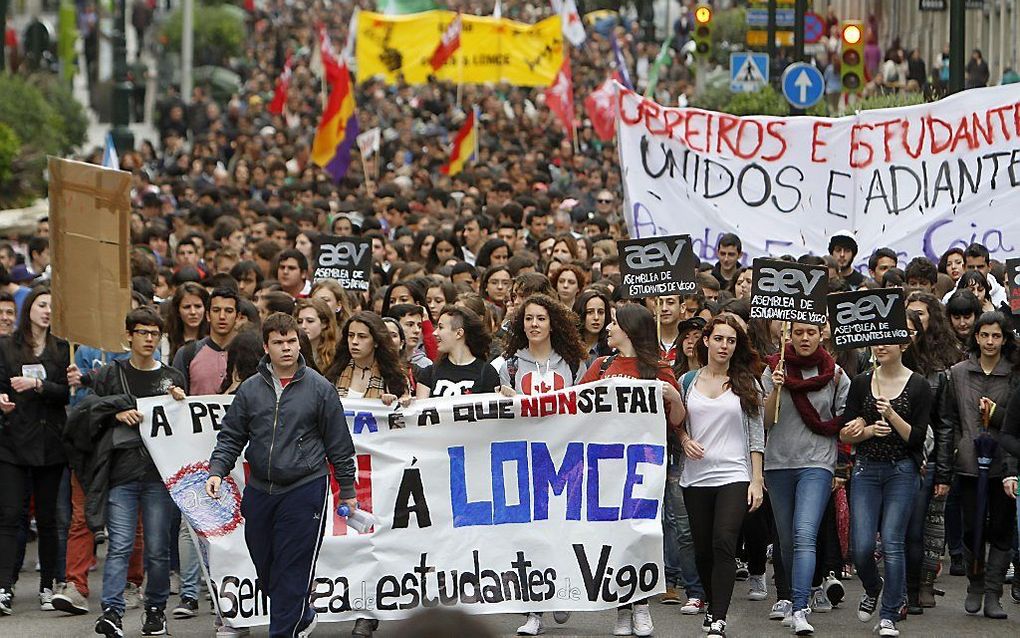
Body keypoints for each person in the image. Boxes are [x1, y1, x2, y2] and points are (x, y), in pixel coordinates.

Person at [205, 312, 357, 637]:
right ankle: (301, 615)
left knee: (292, 567)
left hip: (305, 487)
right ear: (266, 346)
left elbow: (339, 444)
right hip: (261, 489)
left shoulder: (320, 388)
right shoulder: (249, 390)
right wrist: (217, 470)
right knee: (266, 565)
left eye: (292, 341)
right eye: (279, 342)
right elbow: (231, 436)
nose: (287, 348)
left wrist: (347, 488)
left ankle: (284, 631)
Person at [69, 307, 188, 637]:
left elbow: (183, 426)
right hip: (121, 471)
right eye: (143, 332)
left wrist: (180, 400)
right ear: (129, 336)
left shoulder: (171, 378)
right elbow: (91, 411)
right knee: (120, 544)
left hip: (158, 474)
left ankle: (154, 610)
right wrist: (116, 414)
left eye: (155, 333)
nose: (149, 339)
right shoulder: (111, 374)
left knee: (157, 548)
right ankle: (112, 612)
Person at [579, 303, 687, 637]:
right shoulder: (601, 365)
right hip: (604, 465)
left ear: (630, 329)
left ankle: (640, 606)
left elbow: (677, 422)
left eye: (613, 322)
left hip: (644, 467)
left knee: (639, 536)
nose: (607, 327)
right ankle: (622, 608)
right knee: (613, 539)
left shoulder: (657, 370)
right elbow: (571, 406)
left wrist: (674, 397)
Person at [677, 314, 765, 638]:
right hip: (696, 478)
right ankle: (712, 604)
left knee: (724, 541)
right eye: (719, 339)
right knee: (702, 551)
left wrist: (756, 480)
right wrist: (685, 440)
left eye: (731, 340)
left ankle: (718, 618)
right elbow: (676, 424)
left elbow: (757, 435)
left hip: (734, 474)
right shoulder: (688, 382)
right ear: (706, 341)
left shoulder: (746, 383)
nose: (724, 346)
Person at [762, 322, 850, 635]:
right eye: (798, 332)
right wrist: (776, 387)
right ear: (788, 335)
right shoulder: (774, 368)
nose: (804, 338)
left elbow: (845, 420)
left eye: (810, 332)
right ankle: (788, 598)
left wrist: (843, 464)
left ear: (821, 334)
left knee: (804, 533)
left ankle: (800, 606)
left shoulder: (836, 374)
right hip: (778, 464)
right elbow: (764, 419)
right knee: (785, 539)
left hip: (817, 463)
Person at [840, 337, 930, 638]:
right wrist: (863, 431)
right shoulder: (861, 382)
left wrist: (891, 415)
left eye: (888, 342)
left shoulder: (918, 385)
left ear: (903, 346)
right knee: (862, 547)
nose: (881, 347)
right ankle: (872, 586)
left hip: (902, 470)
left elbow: (917, 437)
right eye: (876, 342)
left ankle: (890, 612)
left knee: (892, 541)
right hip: (866, 469)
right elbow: (846, 433)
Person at [941, 312, 1018, 620]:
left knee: (1001, 527)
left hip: (1005, 463)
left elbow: (1016, 420)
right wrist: (957, 449)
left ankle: (993, 593)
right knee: (972, 527)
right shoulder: (959, 373)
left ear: (1004, 339)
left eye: (996, 336)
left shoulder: (1014, 373)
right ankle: (975, 584)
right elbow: (950, 419)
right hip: (969, 463)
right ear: (975, 337)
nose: (989, 341)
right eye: (984, 335)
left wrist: (997, 414)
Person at [0, 287, 70, 614]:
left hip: (50, 442)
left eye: (52, 307)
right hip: (13, 441)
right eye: (42, 305)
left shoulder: (61, 348)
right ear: (29, 307)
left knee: (48, 518)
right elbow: (1, 385)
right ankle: (4, 585)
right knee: (11, 515)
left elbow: (65, 393)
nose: (46, 311)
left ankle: (48, 584)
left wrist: (39, 385)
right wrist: (1, 400)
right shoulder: (7, 347)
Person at [901, 309, 954, 614]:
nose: (905, 338)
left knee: (918, 530)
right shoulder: (878, 370)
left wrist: (943, 473)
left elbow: (945, 425)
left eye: (911, 331)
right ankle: (900, 589)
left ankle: (918, 587)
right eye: (900, 331)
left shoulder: (935, 374)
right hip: (891, 460)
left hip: (927, 461)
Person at [496, 294, 587, 397]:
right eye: (529, 318)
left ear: (552, 325)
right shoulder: (509, 368)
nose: (534, 324)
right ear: (523, 325)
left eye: (541, 319)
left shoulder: (574, 365)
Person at [326, 311, 409, 406]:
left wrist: (394, 401)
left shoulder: (395, 377)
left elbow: (404, 409)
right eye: (351, 335)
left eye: (362, 336)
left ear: (376, 342)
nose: (354, 341)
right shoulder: (335, 372)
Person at [415, 306, 499, 398]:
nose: (435, 333)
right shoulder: (428, 373)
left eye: (441, 327)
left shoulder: (487, 373)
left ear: (459, 333)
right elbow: (420, 410)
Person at [295, 297, 339, 372]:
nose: (303, 326)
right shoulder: (293, 352)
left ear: (324, 323)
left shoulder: (337, 353)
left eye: (310, 321)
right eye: (299, 321)